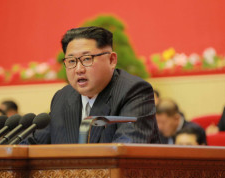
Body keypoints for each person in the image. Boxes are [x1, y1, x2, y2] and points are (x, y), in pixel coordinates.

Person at [25, 26, 161, 144]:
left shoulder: (134, 91)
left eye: (87, 59)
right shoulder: (63, 97)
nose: (79, 69)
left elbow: (126, 149)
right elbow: (35, 143)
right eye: (71, 61)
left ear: (112, 60)